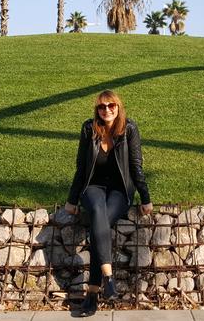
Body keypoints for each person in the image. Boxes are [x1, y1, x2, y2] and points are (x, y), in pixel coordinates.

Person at [65, 89, 153, 317]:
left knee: (99, 223)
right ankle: (108, 279)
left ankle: (92, 295)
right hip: (92, 187)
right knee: (96, 210)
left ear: (118, 107)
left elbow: (136, 166)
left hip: (119, 189)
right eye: (101, 107)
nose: (106, 110)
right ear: (97, 110)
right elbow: (81, 167)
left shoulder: (129, 129)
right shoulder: (88, 128)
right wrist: (72, 199)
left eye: (111, 106)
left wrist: (145, 197)